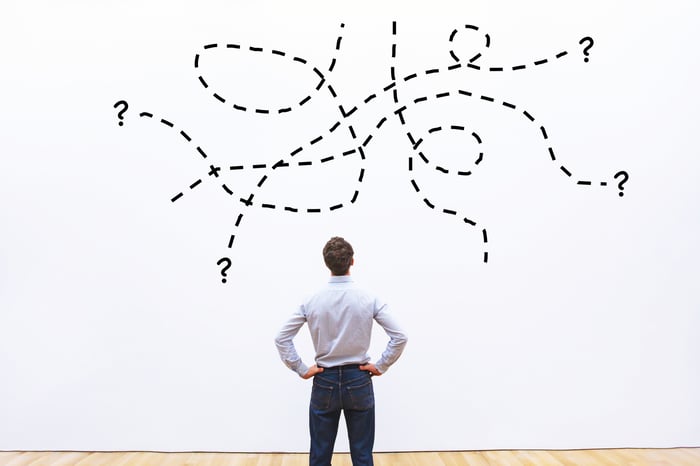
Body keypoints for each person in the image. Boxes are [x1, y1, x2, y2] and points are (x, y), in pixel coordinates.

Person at [275, 237, 407, 466]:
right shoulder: (369, 297)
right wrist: (381, 365)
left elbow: (281, 337)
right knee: (363, 455)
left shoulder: (312, 299)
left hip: (324, 380)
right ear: (352, 261)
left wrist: (301, 369)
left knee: (319, 455)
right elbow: (400, 336)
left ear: (326, 263)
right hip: (359, 379)